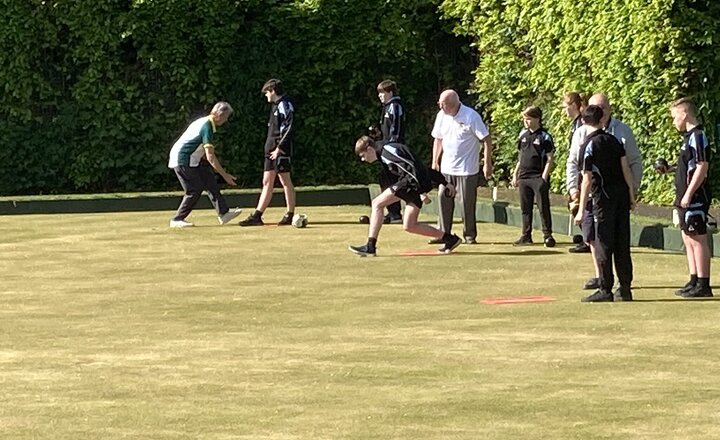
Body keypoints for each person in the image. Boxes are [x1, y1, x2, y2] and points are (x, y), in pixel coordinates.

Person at [566, 93, 642, 290]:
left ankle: (605, 287)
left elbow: (588, 179)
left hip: (602, 199)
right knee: (621, 243)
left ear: (585, 119)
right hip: (619, 197)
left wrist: (581, 209)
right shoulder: (614, 141)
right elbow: (625, 169)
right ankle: (624, 287)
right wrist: (631, 196)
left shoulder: (589, 145)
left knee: (604, 243)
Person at [348, 136, 462, 257]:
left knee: (377, 203)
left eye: (363, 155)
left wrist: (421, 191)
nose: (363, 159)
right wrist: (443, 182)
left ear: (369, 149)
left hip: (410, 184)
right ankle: (450, 239)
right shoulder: (385, 151)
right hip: (414, 185)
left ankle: (370, 246)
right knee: (410, 225)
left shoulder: (387, 152)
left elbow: (412, 168)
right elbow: (420, 167)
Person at [430, 89, 493, 245]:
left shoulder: (471, 116)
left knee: (466, 202)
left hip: (467, 168)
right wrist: (435, 161)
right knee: (443, 198)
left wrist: (487, 163)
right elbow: (438, 139)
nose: (439, 107)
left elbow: (486, 139)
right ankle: (444, 234)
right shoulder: (441, 116)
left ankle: (469, 235)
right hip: (446, 168)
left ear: (451, 104)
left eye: (442, 104)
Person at [167, 102, 241, 228]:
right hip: (183, 159)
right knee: (194, 189)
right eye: (226, 116)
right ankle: (177, 219)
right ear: (220, 114)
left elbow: (202, 151)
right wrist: (225, 175)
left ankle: (223, 213)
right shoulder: (207, 126)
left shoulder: (205, 122)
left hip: (190, 159)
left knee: (208, 179)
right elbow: (210, 156)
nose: (226, 120)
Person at [666, 98, 713, 298]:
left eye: (675, 117)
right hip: (685, 197)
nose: (674, 121)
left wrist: (689, 193)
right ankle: (693, 279)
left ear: (684, 114)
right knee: (687, 236)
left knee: (697, 237)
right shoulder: (688, 138)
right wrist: (669, 169)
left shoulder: (698, 136)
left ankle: (704, 284)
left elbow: (702, 166)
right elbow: (689, 166)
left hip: (695, 197)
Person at [239, 79, 297, 226]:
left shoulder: (285, 104)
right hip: (270, 149)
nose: (266, 96)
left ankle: (290, 214)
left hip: (279, 150)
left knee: (285, 181)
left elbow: (289, 127)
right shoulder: (275, 106)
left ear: (273, 91)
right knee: (266, 181)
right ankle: (257, 215)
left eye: (267, 92)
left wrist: (280, 148)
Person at [511, 106, 555, 247]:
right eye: (524, 119)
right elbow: (520, 156)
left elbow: (550, 158)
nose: (526, 121)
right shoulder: (522, 135)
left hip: (537, 177)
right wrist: (515, 174)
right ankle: (526, 235)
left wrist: (544, 177)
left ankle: (547, 235)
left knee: (543, 207)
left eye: (529, 119)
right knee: (525, 208)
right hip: (524, 176)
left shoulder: (545, 136)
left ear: (537, 119)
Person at [370, 80, 406, 224]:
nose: (380, 96)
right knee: (385, 179)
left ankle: (395, 213)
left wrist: (391, 146)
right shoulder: (387, 107)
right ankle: (393, 212)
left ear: (390, 92)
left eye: (382, 93)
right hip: (386, 148)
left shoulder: (395, 106)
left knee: (392, 179)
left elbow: (396, 130)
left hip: (392, 150)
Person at [563, 92, 590, 253]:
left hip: (583, 170)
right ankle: (586, 235)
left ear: (573, 106)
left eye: (566, 107)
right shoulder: (576, 123)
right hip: (579, 169)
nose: (564, 110)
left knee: (580, 203)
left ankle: (588, 239)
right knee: (574, 203)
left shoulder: (582, 123)